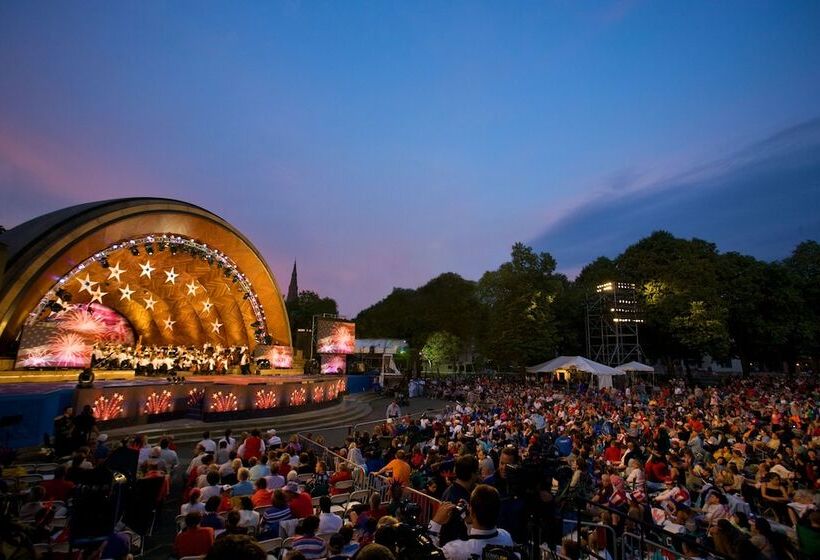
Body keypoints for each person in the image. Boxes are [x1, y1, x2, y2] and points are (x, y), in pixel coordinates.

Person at [428, 484, 514, 560]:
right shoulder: (506, 537)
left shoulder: (454, 550)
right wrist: (469, 522)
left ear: (471, 511)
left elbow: (428, 554)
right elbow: (479, 539)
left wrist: (436, 522)